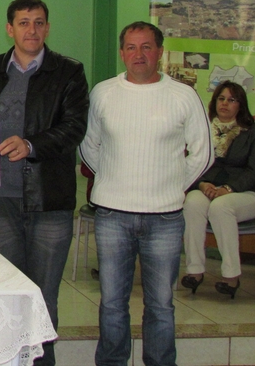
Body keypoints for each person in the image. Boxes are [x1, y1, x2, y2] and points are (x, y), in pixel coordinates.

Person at [80, 21, 213, 366]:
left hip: (165, 218)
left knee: (161, 305)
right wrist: (112, 178)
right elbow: (88, 146)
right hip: (112, 215)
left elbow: (203, 153)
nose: (138, 54)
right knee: (112, 304)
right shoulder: (103, 93)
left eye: (146, 47)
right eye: (131, 47)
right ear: (122, 52)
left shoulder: (183, 96)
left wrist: (172, 185)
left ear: (160, 52)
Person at [0, 0, 89, 366]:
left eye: (39, 22)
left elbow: (74, 128)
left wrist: (30, 145)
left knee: (42, 299)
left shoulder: (69, 72)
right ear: (10, 29)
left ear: (48, 28)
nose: (32, 30)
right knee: (6, 298)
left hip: (49, 202)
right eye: (24, 22)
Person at [181, 81, 255, 299]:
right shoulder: (203, 129)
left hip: (244, 192)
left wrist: (229, 188)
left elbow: (253, 171)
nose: (225, 103)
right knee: (192, 202)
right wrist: (201, 183)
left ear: (240, 105)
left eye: (231, 100)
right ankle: (194, 271)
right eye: (221, 99)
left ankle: (231, 276)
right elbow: (191, 163)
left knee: (221, 207)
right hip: (208, 187)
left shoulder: (250, 132)